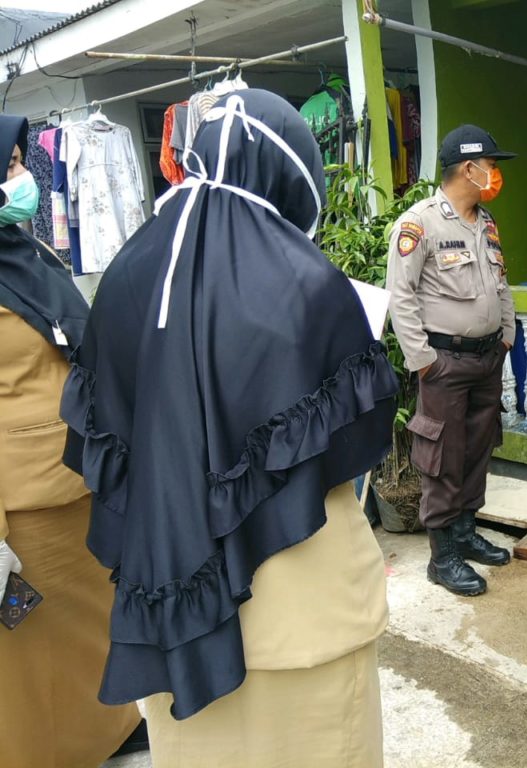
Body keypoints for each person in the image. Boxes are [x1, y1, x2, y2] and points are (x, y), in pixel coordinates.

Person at [60, 90, 399, 767]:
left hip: (167, 613)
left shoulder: (126, 273)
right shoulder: (308, 283)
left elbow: (109, 445)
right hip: (303, 609)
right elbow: (357, 435)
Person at [0, 115, 141, 768]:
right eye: (10, 167)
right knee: (37, 662)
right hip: (23, 513)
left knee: (92, 632)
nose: (22, 178)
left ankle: (110, 726)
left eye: (18, 163)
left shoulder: (21, 251)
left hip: (78, 479)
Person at [386, 124, 517, 596]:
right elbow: (399, 296)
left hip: (487, 359)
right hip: (444, 362)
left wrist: (506, 336)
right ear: (468, 168)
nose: (495, 174)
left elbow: (502, 284)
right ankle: (442, 558)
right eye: (491, 165)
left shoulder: (485, 223)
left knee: (477, 449)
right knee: (442, 457)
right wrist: (423, 361)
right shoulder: (419, 224)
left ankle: (464, 533)